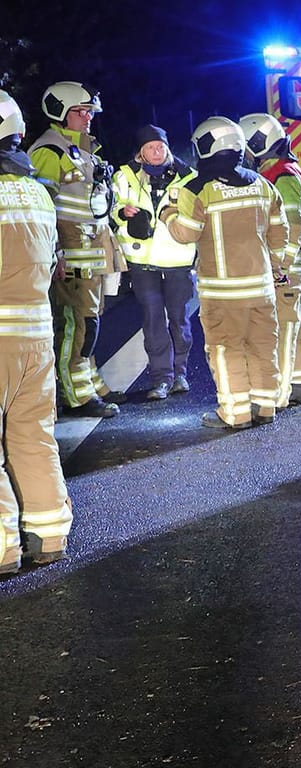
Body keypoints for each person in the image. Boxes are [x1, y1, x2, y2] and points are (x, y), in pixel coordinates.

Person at [160, 117, 288, 429]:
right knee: (262, 347)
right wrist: (274, 267)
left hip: (222, 292)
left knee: (226, 349)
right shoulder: (263, 185)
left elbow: (186, 233)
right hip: (261, 288)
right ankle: (265, 406)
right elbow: (279, 233)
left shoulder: (197, 189)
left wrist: (168, 214)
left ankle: (235, 413)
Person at [0, 89, 72, 572]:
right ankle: (49, 534)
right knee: (33, 434)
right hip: (35, 335)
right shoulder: (37, 191)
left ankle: (3, 545)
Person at [28, 81, 126, 417]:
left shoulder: (84, 149)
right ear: (59, 112)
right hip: (69, 255)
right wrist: (53, 253)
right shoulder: (48, 151)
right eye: (80, 112)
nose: (87, 118)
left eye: (89, 112)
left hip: (92, 251)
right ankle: (77, 395)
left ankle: (88, 380)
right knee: (76, 323)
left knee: (91, 322)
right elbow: (41, 209)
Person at [111, 125, 197, 400]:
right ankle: (161, 378)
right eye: (150, 147)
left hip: (177, 259)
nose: (157, 151)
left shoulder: (188, 177)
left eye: (161, 146)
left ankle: (180, 373)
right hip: (142, 260)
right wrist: (123, 213)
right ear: (140, 153)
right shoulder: (124, 176)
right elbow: (109, 210)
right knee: (153, 319)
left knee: (179, 319)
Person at [240, 112, 301, 407]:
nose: (243, 154)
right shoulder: (284, 170)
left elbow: (295, 223)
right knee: (296, 327)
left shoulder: (282, 176)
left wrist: (280, 265)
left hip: (289, 266)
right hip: (296, 264)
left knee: (282, 330)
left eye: (246, 147)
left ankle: (275, 393)